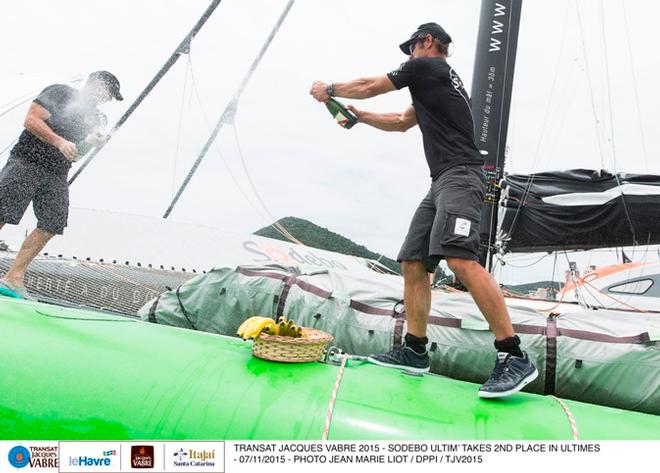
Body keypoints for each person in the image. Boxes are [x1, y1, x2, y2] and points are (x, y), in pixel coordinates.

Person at [310, 23, 537, 398]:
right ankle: (415, 350)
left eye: (411, 48)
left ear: (426, 42)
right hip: (442, 182)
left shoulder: (426, 68)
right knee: (414, 260)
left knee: (460, 259)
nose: (408, 56)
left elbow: (371, 85)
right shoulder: (436, 84)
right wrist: (361, 116)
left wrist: (329, 90)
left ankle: (513, 356)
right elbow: (401, 123)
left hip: (462, 177)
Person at [0, 71, 123, 299]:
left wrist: (90, 143)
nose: (106, 98)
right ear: (95, 84)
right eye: (107, 91)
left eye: (110, 96)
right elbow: (31, 120)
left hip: (56, 171)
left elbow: (75, 155)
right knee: (3, 212)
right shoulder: (60, 93)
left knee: (53, 221)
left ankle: (13, 278)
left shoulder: (98, 119)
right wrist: (59, 141)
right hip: (27, 160)